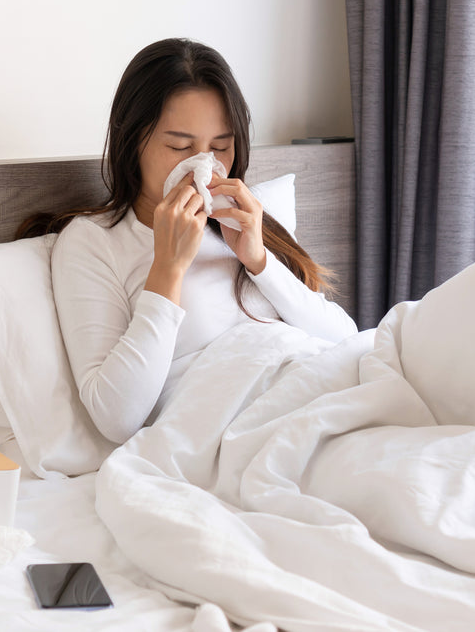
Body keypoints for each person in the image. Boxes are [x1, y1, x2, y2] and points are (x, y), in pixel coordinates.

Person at [34, 38, 357, 444]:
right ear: (133, 142)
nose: (204, 164)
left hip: (319, 391)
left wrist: (259, 261)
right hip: (249, 429)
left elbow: (347, 341)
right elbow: (115, 418)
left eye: (220, 147)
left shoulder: (244, 222)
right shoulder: (96, 242)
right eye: (180, 147)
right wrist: (167, 270)